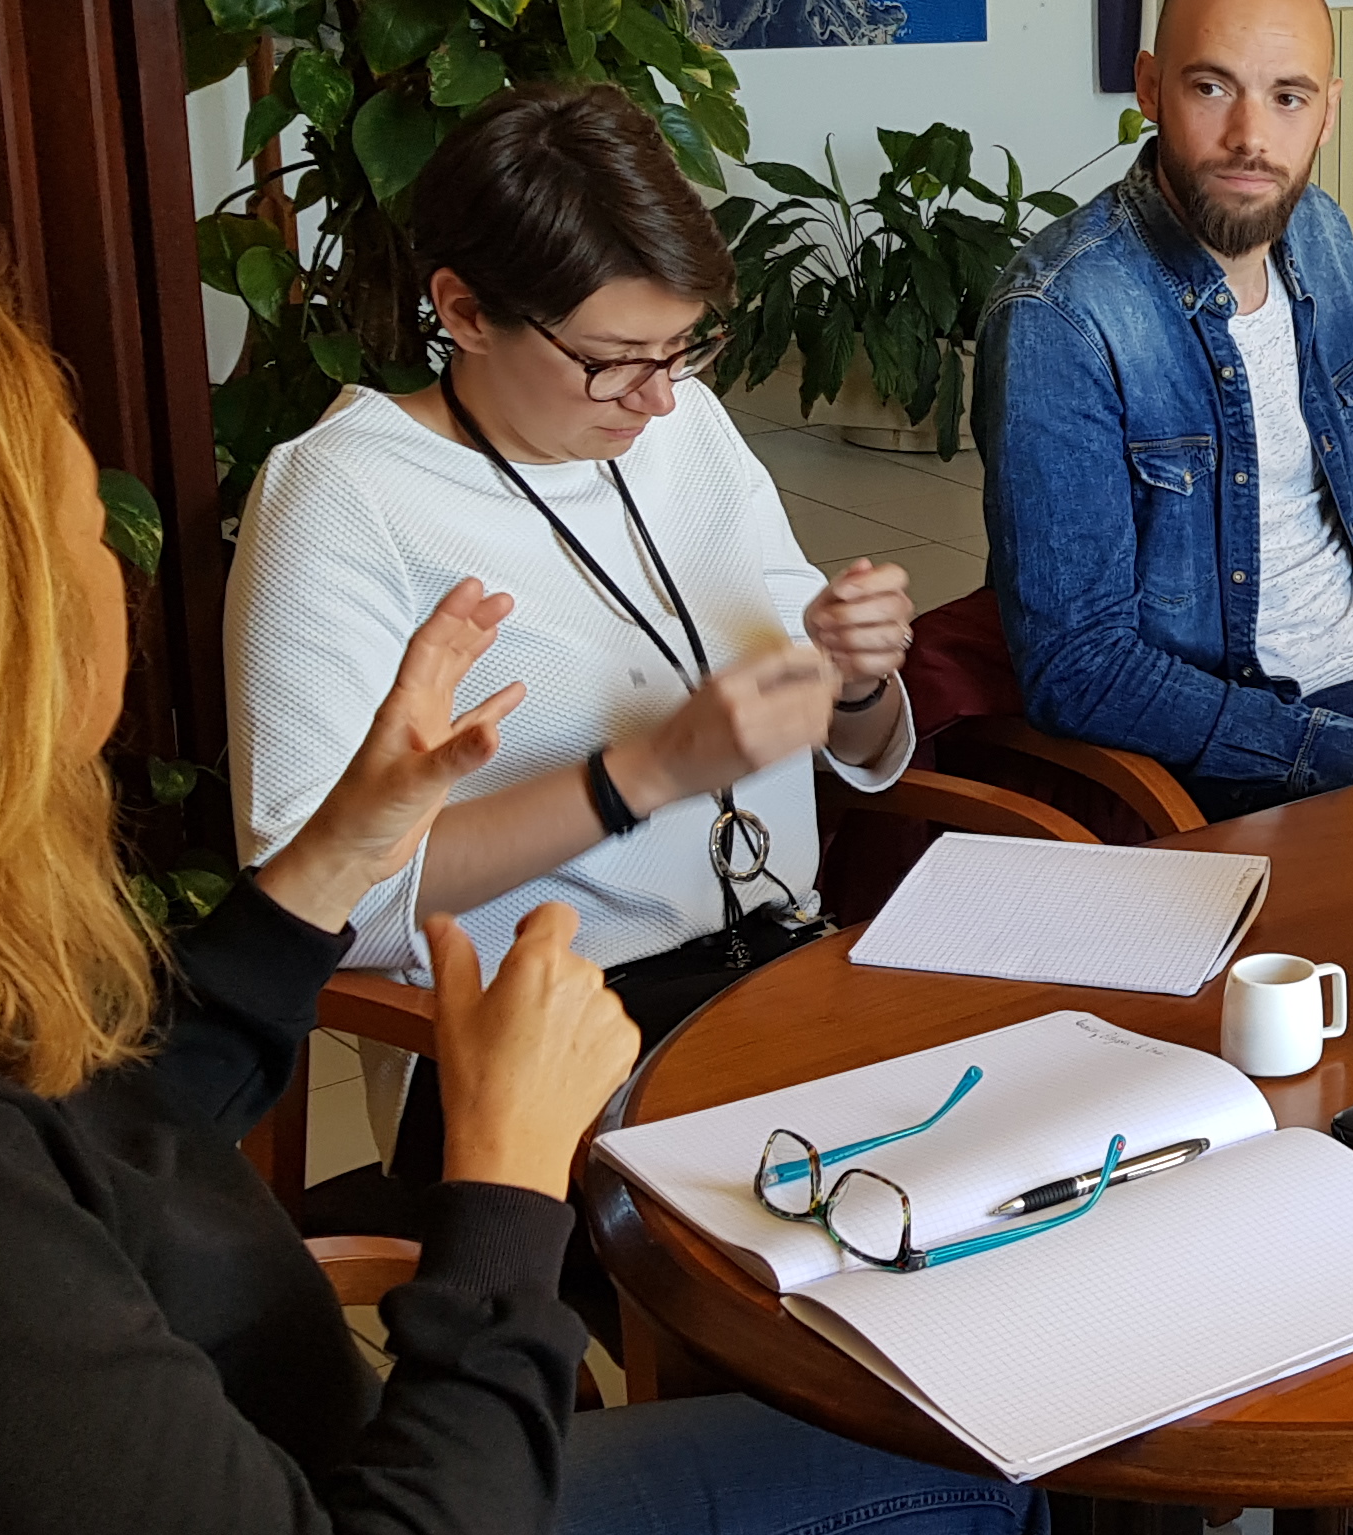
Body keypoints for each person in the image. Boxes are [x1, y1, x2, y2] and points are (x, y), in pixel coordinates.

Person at [0, 252, 1046, 1535]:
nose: (119, 573)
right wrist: (499, 1182)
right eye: (83, 536)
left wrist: (333, 855)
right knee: (965, 1483)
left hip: (348, 1444)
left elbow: (113, 1127)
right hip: (394, 1490)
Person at [229, 83, 921, 1191]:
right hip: (544, 1064)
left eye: (683, 348)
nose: (655, 400)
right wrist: (641, 774)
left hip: (777, 980)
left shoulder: (679, 422)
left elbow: (859, 736)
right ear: (461, 313)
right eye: (612, 359)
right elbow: (326, 906)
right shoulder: (344, 496)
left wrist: (854, 676)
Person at [977, 0, 1353, 823]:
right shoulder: (1062, 314)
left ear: (1327, 112)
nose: (1252, 136)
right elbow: (1080, 670)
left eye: (1289, 97)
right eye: (1213, 88)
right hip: (1254, 747)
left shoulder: (1319, 233)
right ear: (1149, 87)